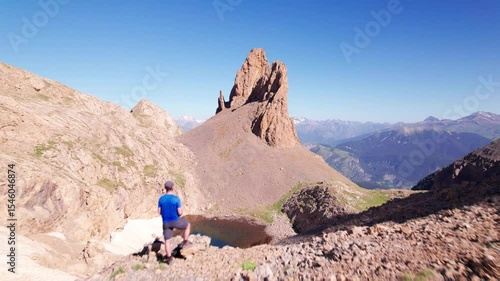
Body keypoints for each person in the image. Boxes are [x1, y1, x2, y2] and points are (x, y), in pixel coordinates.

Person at [158, 180, 191, 263]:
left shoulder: (161, 199)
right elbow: (180, 212)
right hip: (175, 220)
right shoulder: (176, 199)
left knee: (167, 241)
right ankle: (185, 241)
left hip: (166, 222)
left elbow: (159, 212)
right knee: (187, 225)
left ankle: (169, 258)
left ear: (165, 188)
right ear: (172, 188)